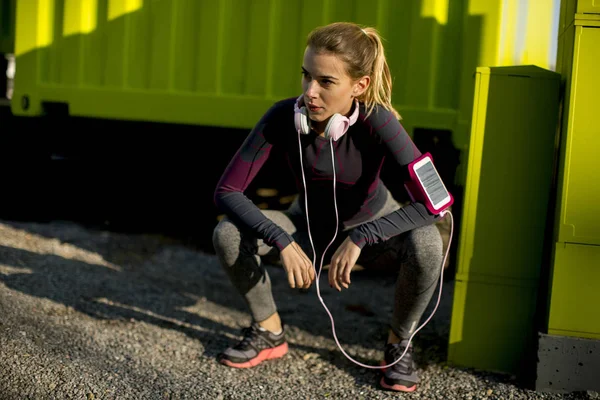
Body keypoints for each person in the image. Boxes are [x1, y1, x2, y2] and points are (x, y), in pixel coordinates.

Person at [212, 21, 445, 393]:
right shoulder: (283, 117)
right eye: (306, 77)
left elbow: (437, 201)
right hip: (305, 230)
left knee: (428, 242)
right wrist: (282, 240)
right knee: (227, 232)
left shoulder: (379, 121)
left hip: (373, 234)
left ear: (360, 85)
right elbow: (226, 191)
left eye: (326, 82)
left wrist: (364, 235)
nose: (310, 92)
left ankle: (398, 345)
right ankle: (269, 331)